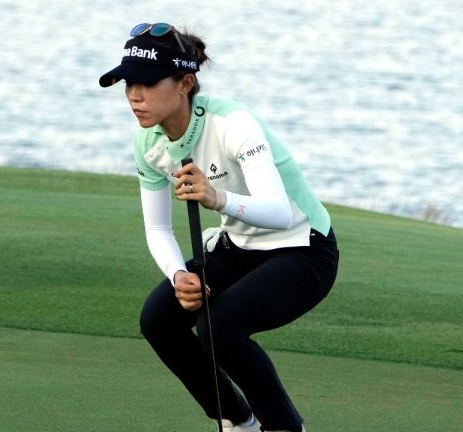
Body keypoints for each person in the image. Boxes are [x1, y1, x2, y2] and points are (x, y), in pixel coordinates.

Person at [99, 23, 339, 432]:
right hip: (240, 246)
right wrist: (179, 276)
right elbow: (158, 229)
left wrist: (216, 198)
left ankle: (284, 426)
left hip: (304, 248)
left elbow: (280, 212)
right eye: (127, 84)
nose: (134, 96)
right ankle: (238, 421)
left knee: (220, 327)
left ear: (185, 83)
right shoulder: (148, 143)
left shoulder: (234, 124)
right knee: (158, 318)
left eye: (147, 83)